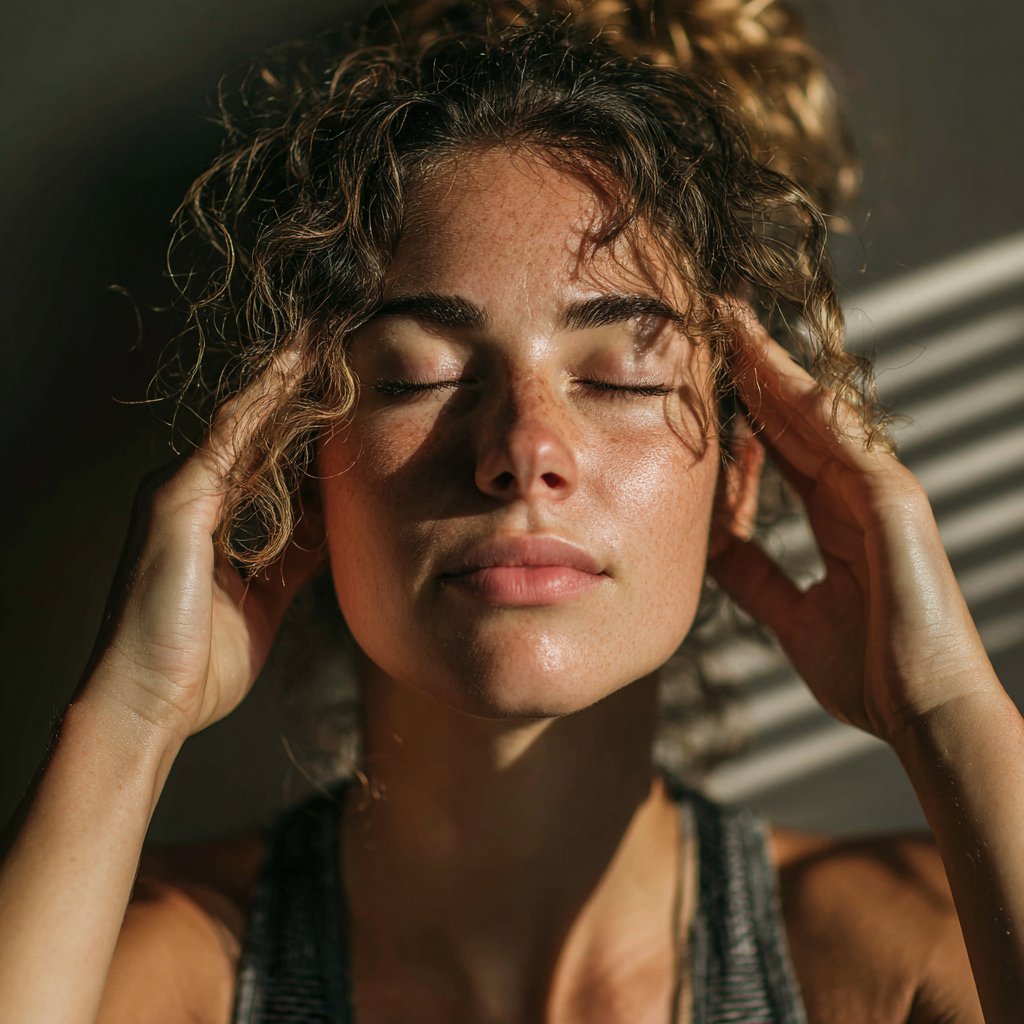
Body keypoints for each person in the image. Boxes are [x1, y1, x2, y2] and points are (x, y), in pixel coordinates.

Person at [1, 1, 1021, 1021]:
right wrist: (131, 714)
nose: (525, 451)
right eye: (420, 375)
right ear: (303, 470)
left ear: (737, 482)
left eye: (621, 378)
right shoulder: (155, 969)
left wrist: (939, 706)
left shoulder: (908, 958)